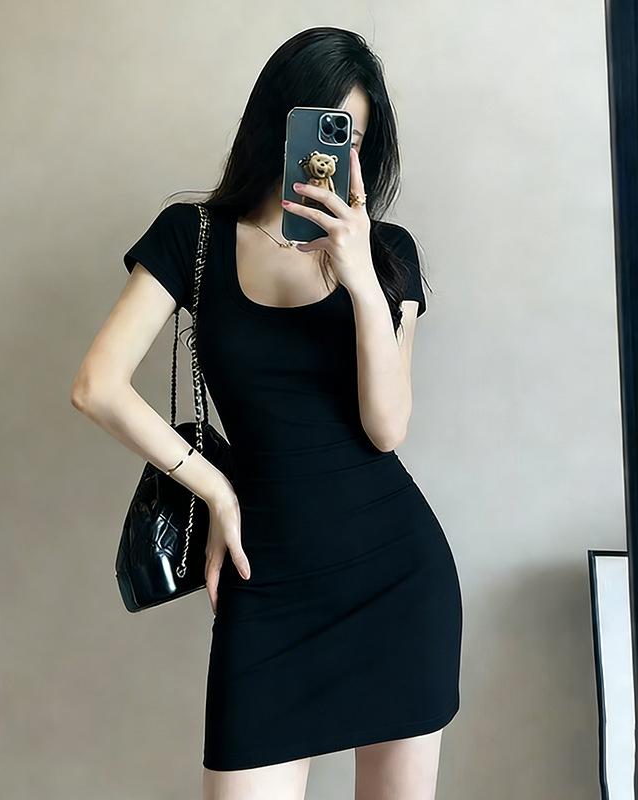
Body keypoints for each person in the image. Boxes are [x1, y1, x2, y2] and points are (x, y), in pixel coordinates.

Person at [71, 25, 462, 800]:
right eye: (316, 127)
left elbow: (386, 427)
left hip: (396, 580)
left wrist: (359, 278)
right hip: (269, 587)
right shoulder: (192, 238)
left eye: (350, 137)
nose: (327, 157)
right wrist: (216, 489)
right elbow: (97, 385)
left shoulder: (390, 255)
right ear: (274, 124)